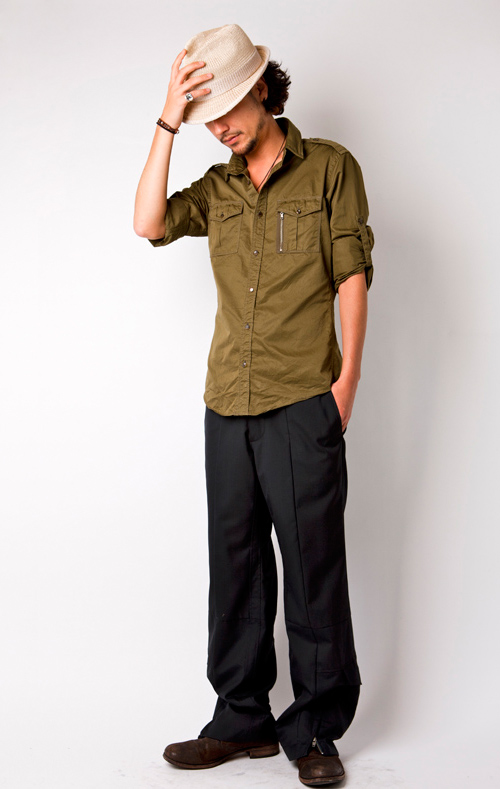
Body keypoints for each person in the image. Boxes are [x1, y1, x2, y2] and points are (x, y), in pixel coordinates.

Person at [134, 23, 374, 787]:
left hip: (303, 399)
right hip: (226, 405)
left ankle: (315, 729)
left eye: (227, 109)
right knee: (234, 566)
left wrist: (345, 385)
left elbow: (351, 276)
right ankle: (241, 718)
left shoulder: (330, 168)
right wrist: (169, 118)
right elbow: (147, 222)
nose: (221, 127)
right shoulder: (218, 188)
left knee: (311, 563)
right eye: (207, 117)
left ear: (263, 89)